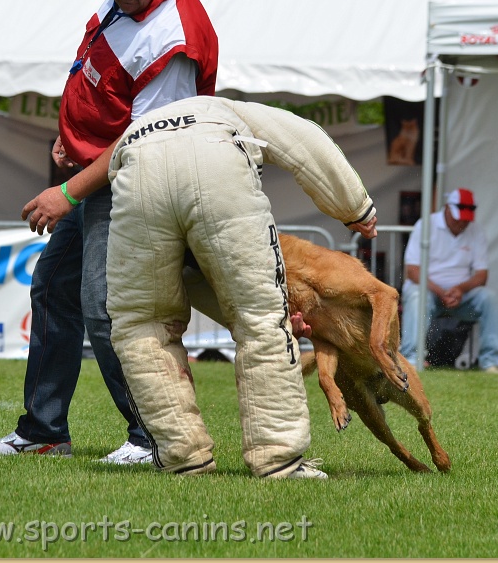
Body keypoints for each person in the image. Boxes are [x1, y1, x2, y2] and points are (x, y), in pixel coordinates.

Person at [0, 0, 218, 464]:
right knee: (53, 287)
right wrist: (73, 135)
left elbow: (144, 141)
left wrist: (67, 192)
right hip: (99, 173)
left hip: (136, 182)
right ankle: (44, 431)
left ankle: (155, 436)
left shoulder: (173, 36)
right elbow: (99, 80)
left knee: (106, 305)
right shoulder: (127, 3)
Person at [105, 96, 378, 479]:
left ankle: (183, 455)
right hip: (218, 160)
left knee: (141, 324)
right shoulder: (232, 110)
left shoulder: (139, 127)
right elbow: (304, 141)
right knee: (260, 319)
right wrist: (355, 208)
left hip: (135, 167)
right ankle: (278, 458)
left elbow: (193, 279)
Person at [400, 188, 498, 373]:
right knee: (416, 296)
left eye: (466, 219)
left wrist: (460, 289)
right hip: (429, 291)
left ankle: (491, 362)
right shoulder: (425, 225)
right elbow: (412, 271)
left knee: (491, 299)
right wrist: (441, 292)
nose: (462, 222)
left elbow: (482, 275)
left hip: (461, 295)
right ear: (447, 209)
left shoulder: (477, 230)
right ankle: (412, 359)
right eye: (458, 218)